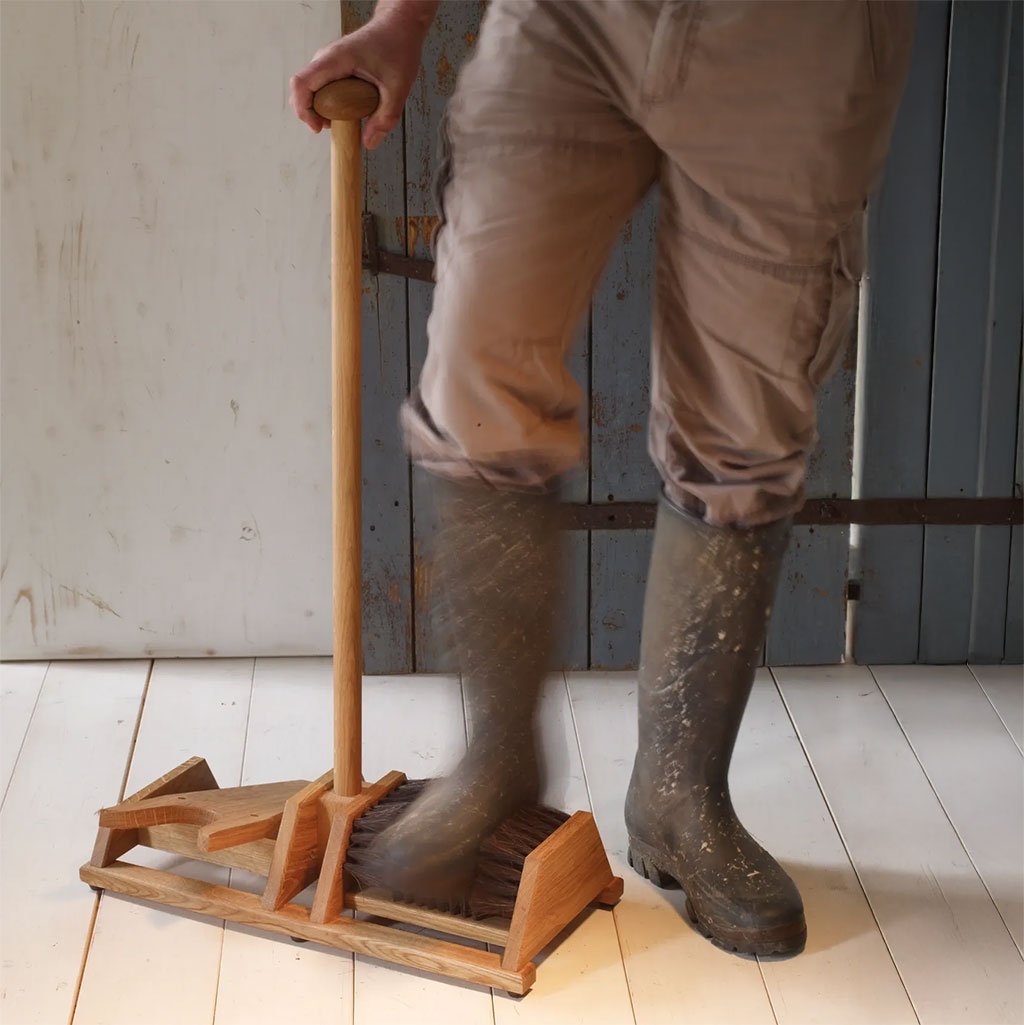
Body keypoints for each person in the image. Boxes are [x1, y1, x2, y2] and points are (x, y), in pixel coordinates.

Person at [290, 0, 914, 956]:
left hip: (794, 38)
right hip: (568, 19)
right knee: (479, 371)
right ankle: (499, 762)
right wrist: (403, 18)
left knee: (740, 434)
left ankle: (678, 801)